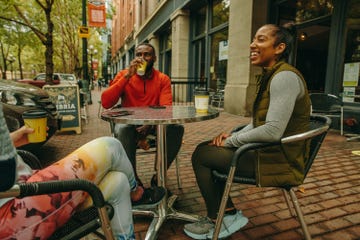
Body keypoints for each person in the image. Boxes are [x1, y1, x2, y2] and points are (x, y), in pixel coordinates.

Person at [184, 23, 311, 239]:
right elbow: (260, 122)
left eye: (261, 40)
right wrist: (234, 137)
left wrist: (231, 143)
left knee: (202, 155)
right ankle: (228, 212)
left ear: (279, 48)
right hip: (269, 152)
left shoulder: (284, 77)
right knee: (208, 149)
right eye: (253, 39)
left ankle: (220, 219)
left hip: (280, 160)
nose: (252, 44)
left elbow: (272, 131)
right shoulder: (272, 75)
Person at [0, 104, 165, 240]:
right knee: (111, 146)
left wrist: (13, 140)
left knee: (119, 181)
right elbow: (4, 177)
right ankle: (137, 193)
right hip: (12, 212)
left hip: (21, 191)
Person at [101, 42, 184, 187]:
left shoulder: (162, 79)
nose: (142, 58)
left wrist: (149, 124)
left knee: (177, 128)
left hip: (154, 126)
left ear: (154, 58)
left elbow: (166, 109)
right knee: (123, 129)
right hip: (129, 125)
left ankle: (158, 177)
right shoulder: (123, 75)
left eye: (147, 54)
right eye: (139, 54)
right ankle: (133, 181)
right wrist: (127, 76)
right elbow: (106, 102)